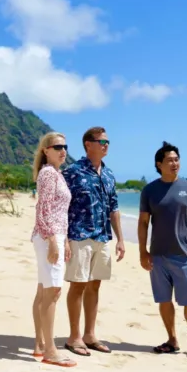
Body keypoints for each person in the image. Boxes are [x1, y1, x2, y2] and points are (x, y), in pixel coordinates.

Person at [137, 141, 187, 364]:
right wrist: (143, 251)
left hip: (183, 255)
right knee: (164, 300)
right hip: (158, 256)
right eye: (169, 160)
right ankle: (172, 340)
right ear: (159, 164)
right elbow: (143, 223)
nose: (174, 163)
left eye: (176, 159)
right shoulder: (149, 190)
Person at [61, 126, 125, 356]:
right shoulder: (72, 172)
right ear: (88, 144)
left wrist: (120, 239)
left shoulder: (108, 174)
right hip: (79, 235)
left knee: (95, 284)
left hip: (102, 236)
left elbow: (114, 207)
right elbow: (61, 207)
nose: (106, 145)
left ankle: (89, 335)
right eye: (102, 142)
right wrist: (64, 239)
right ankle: (74, 337)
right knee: (77, 284)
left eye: (108, 142)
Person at [30, 132, 76, 368]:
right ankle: (50, 350)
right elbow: (43, 209)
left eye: (65, 147)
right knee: (53, 291)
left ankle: (39, 345)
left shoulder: (57, 174)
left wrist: (64, 240)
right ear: (45, 150)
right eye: (57, 146)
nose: (63, 150)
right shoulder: (49, 173)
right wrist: (53, 240)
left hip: (54, 235)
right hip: (48, 236)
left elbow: (61, 213)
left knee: (43, 291)